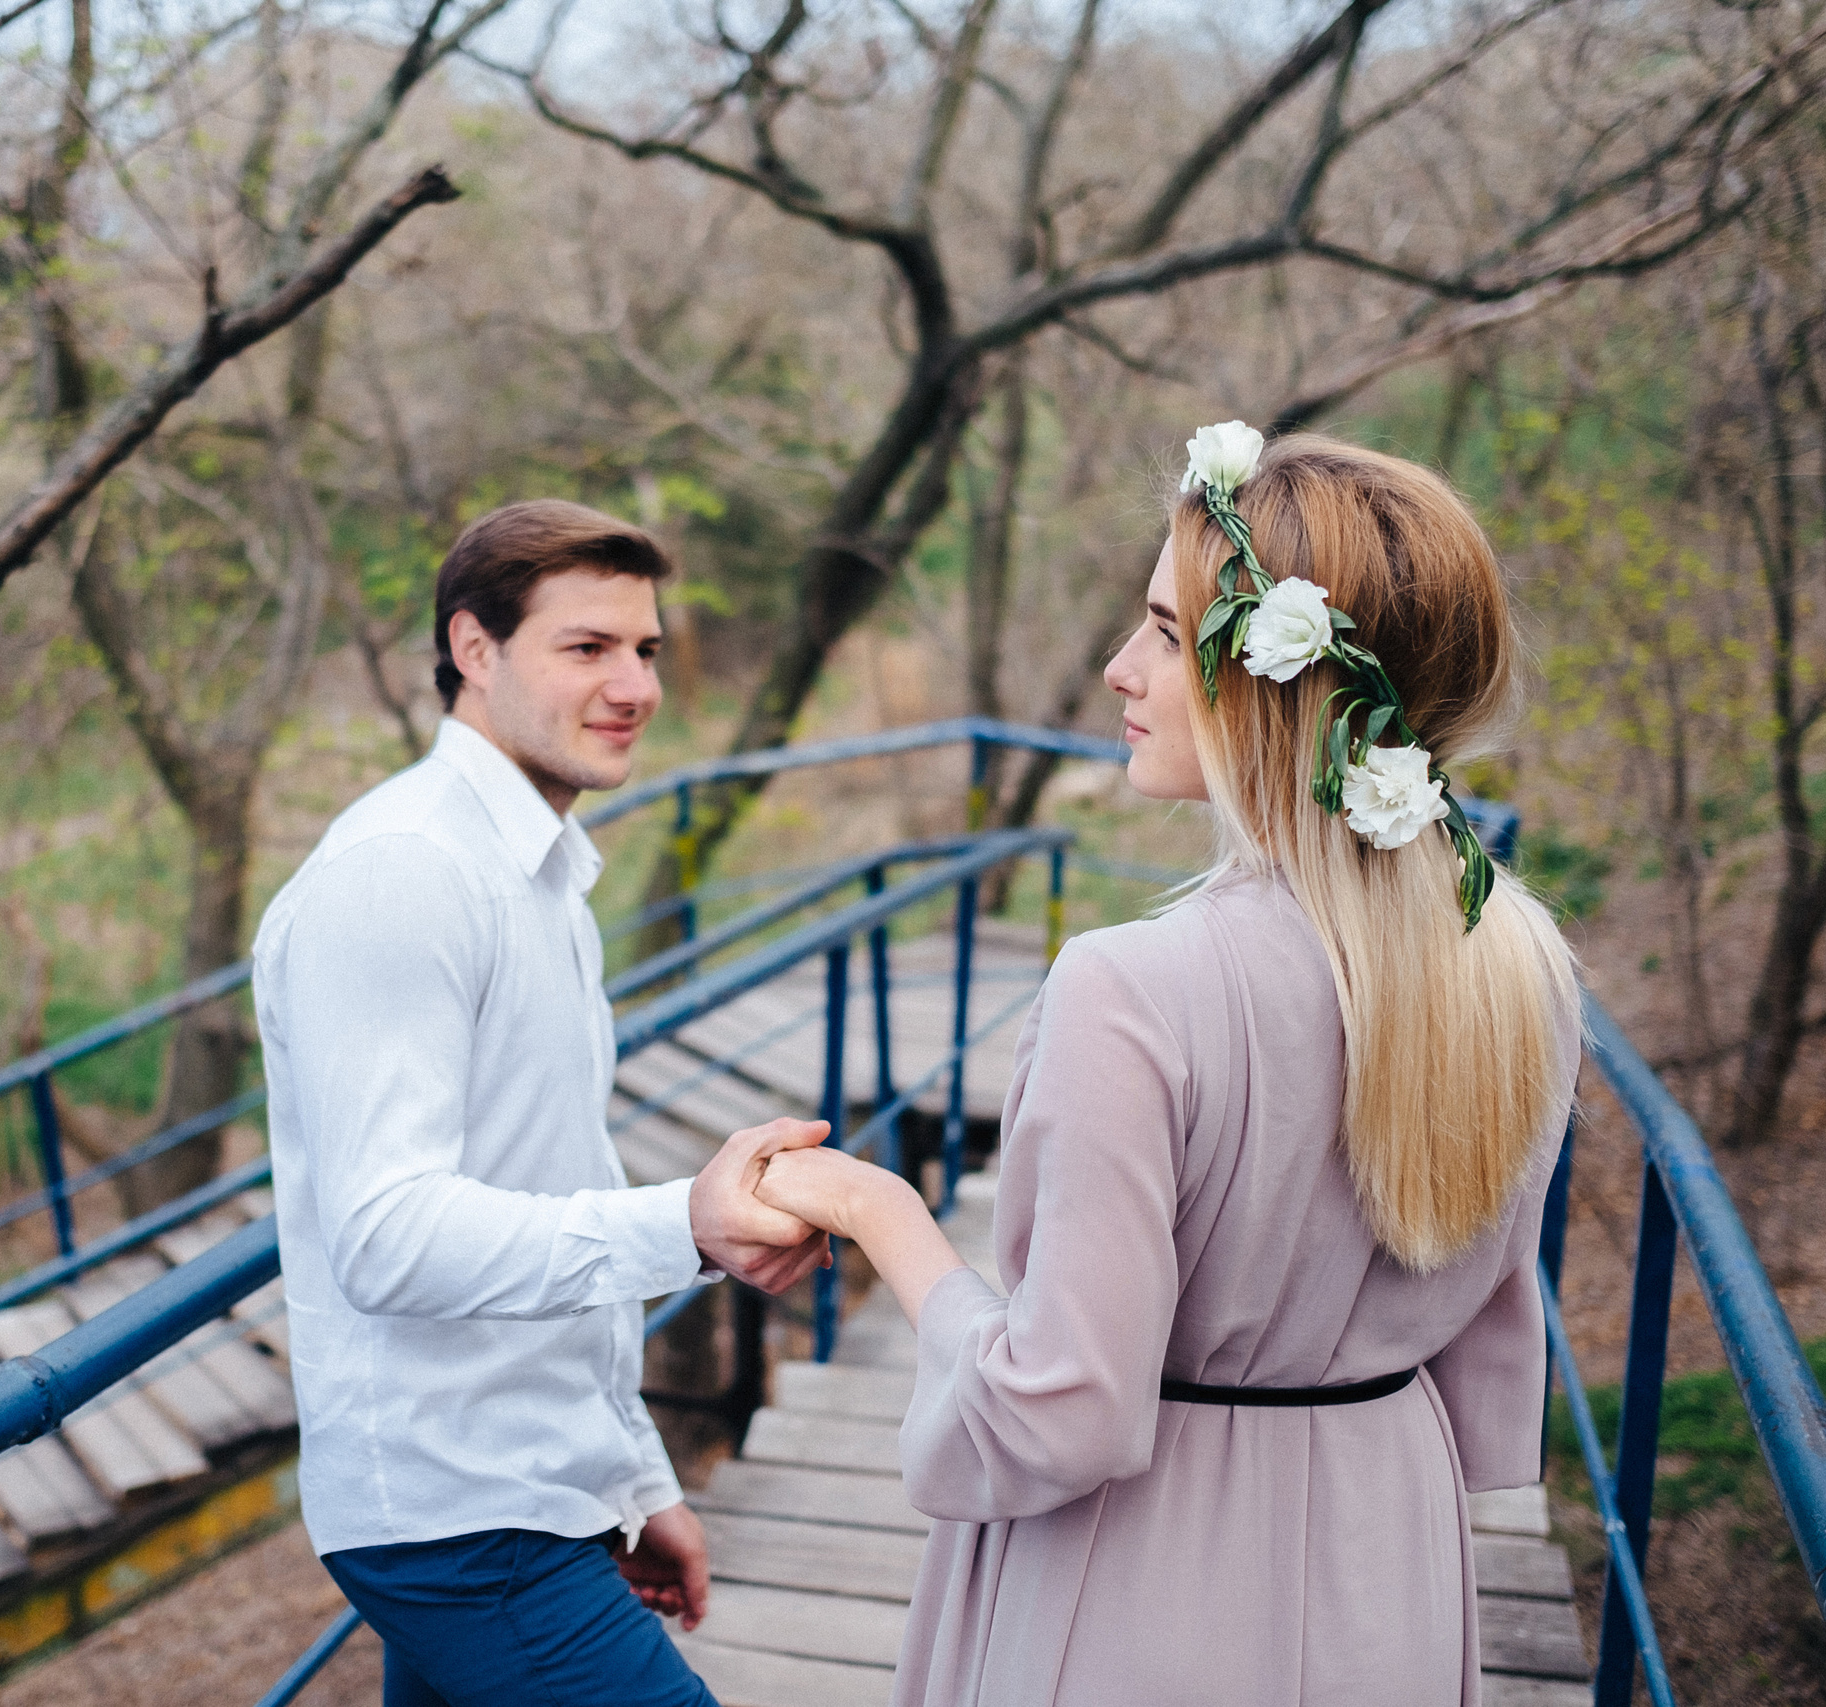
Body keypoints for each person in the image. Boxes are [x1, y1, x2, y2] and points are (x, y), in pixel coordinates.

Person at [755, 428, 1584, 1707]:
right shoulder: (1519, 961)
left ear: (1273, 676)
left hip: (1146, 1579)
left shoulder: (1125, 989)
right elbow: (1487, 1344)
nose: (1116, 667)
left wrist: (883, 1214)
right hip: (1388, 1555)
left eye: (1160, 628)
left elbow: (1060, 1411)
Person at [251, 498, 828, 1707]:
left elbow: (539, 1186)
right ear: (474, 650)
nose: (633, 685)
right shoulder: (406, 873)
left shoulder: (543, 875)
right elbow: (387, 1236)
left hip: (530, 1485)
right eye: (586, 648)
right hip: (458, 1517)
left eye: (646, 650)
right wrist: (688, 1223)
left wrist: (629, 1473)